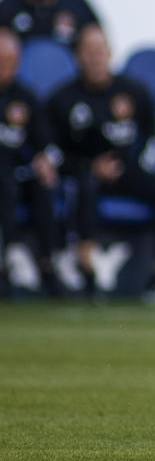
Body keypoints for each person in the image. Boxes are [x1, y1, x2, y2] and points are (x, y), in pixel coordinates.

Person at [47, 24, 155, 300]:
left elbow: (150, 137)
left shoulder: (134, 92)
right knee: (83, 187)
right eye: (89, 52)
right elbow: (54, 153)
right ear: (78, 56)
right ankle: (87, 272)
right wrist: (89, 167)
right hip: (84, 174)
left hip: (126, 171)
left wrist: (130, 165)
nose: (95, 58)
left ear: (110, 53)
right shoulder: (61, 99)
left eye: (100, 51)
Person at [0, 27, 62, 298]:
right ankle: (9, 259)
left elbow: (47, 142)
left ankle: (47, 264)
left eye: (9, 61)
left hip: (19, 173)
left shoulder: (26, 97)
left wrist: (47, 160)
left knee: (43, 185)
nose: (4, 68)